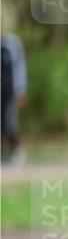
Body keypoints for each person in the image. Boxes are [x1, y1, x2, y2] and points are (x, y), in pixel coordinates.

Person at [1, 30, 27, 166]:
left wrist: (20, 89)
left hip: (10, 89)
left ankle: (16, 152)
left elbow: (19, 67)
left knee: (9, 122)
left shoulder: (12, 42)